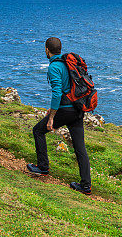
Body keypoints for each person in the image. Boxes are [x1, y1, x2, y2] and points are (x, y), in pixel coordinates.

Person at [27, 37, 92, 195]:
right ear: (60, 49)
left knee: (38, 131)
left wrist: (51, 117)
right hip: (77, 109)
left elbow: (57, 92)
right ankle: (85, 186)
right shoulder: (68, 64)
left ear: (47, 50)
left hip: (65, 110)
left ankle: (43, 167)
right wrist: (52, 110)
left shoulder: (54, 67)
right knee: (80, 147)